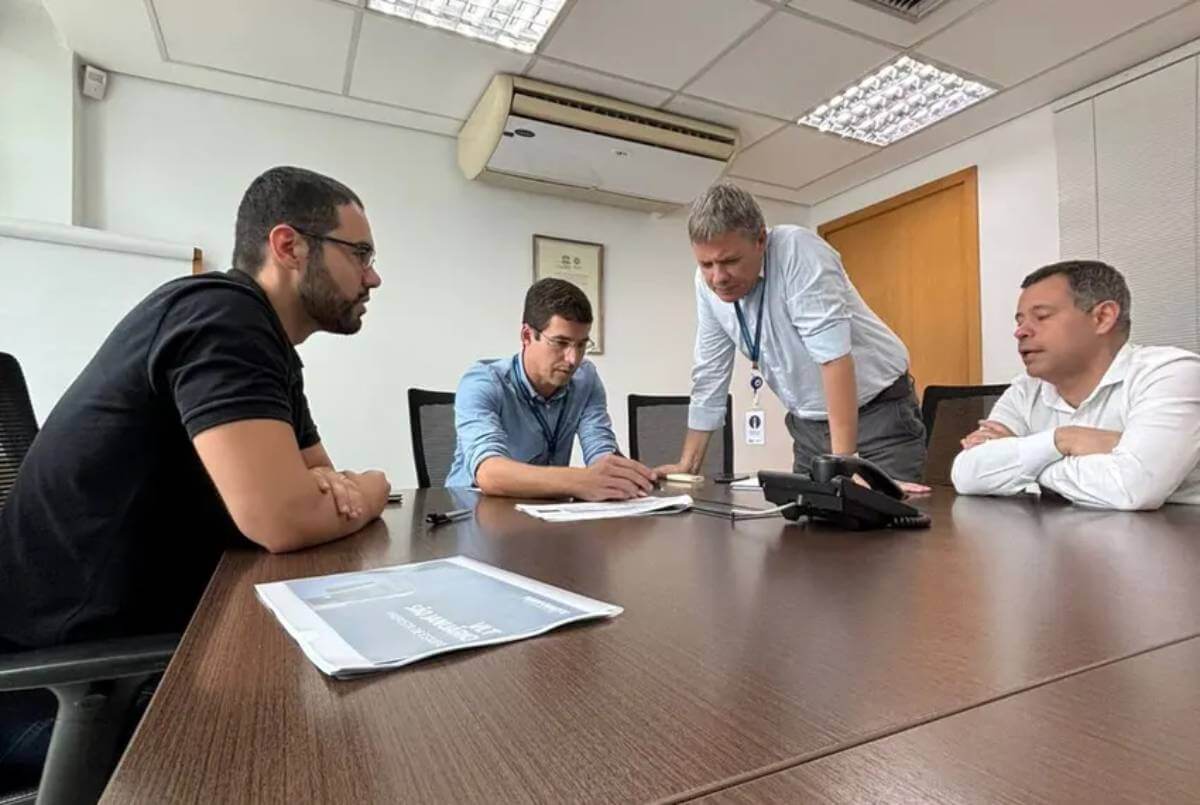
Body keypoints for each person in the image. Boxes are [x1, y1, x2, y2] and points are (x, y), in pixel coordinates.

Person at [0, 166, 390, 786]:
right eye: (360, 252)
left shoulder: (268, 348)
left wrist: (332, 491)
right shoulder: (220, 316)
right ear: (288, 246)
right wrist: (375, 482)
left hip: (146, 646)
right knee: (353, 759)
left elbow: (319, 481)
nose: (373, 275)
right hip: (63, 687)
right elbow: (291, 516)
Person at [655, 181, 928, 489]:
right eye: (706, 264)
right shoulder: (706, 285)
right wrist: (688, 466)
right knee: (807, 530)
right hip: (807, 429)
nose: (718, 278)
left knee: (880, 529)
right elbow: (709, 374)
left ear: (760, 240)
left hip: (878, 417)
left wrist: (844, 465)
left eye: (730, 261)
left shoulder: (798, 250)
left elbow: (833, 359)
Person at [952, 260, 1200, 510]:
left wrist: (1024, 462)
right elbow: (968, 474)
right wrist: (1062, 440)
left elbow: (1132, 488)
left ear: (1102, 318)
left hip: (1177, 539)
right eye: (1020, 322)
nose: (1021, 332)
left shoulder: (1171, 374)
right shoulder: (1026, 390)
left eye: (1041, 317)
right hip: (1070, 537)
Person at [446, 278, 656, 500]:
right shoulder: (482, 382)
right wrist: (580, 480)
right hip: (473, 513)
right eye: (560, 343)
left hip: (546, 512)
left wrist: (627, 476)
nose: (573, 359)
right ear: (527, 336)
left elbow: (600, 450)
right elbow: (489, 473)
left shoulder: (586, 379)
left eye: (582, 344)